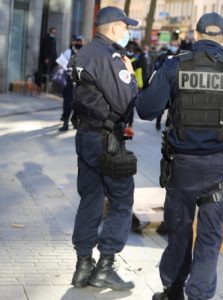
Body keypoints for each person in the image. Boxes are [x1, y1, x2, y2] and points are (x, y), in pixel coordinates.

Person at [137, 12, 223, 300]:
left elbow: (146, 109)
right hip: (219, 169)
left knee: (179, 232)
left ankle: (172, 290)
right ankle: (198, 295)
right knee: (210, 237)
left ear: (196, 35)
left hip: (181, 168)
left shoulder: (173, 67)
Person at [68, 6, 139, 290]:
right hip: (107, 139)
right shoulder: (111, 57)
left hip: (85, 136)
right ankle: (105, 267)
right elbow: (124, 100)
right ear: (113, 28)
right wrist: (131, 76)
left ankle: (83, 265)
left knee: (90, 200)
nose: (127, 32)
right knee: (121, 202)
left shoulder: (82, 53)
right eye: (125, 27)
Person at [56, 35, 83, 131]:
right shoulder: (68, 52)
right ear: (74, 42)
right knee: (67, 102)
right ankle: (65, 123)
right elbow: (60, 62)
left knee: (78, 103)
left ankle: (75, 121)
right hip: (69, 81)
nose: (79, 43)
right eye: (77, 41)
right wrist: (66, 67)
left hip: (80, 82)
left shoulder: (84, 52)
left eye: (80, 41)